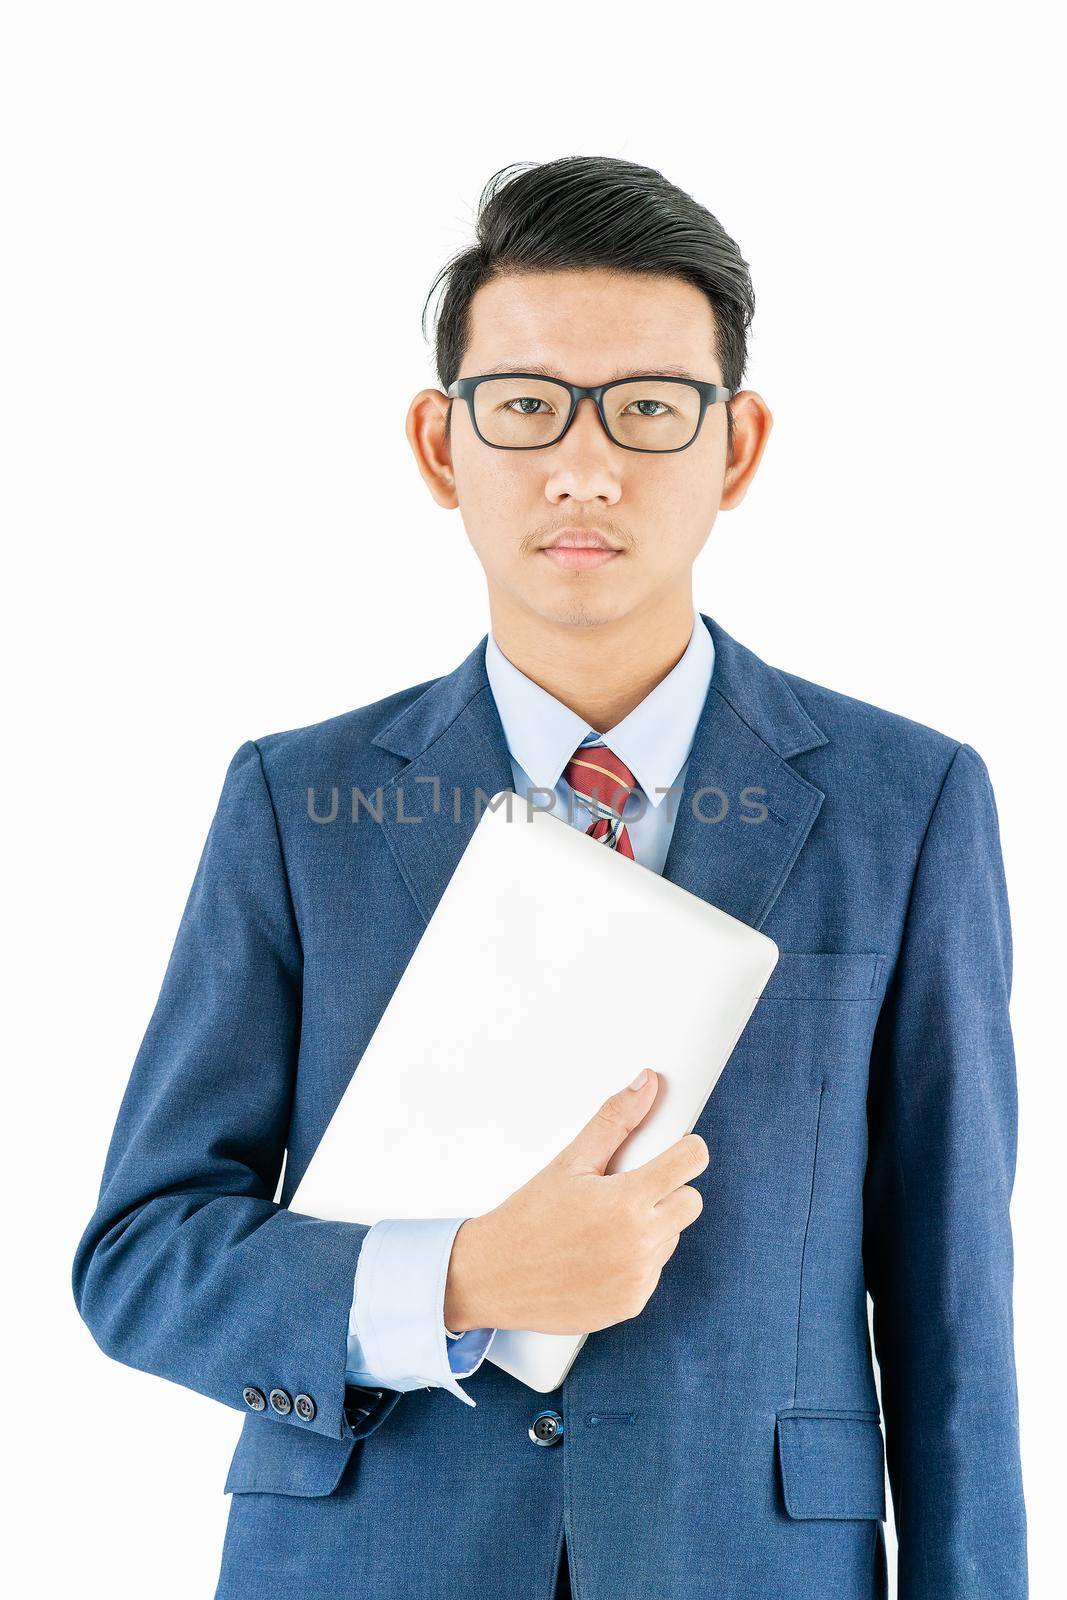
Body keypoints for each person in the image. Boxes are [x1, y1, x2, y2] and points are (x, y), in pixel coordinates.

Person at [72, 155, 1027, 1600]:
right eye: (526, 407)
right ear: (442, 445)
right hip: (368, 1562)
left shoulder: (912, 804)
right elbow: (142, 1260)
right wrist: (456, 1281)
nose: (585, 466)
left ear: (740, 445)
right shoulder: (294, 802)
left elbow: (958, 1321)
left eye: (648, 409)